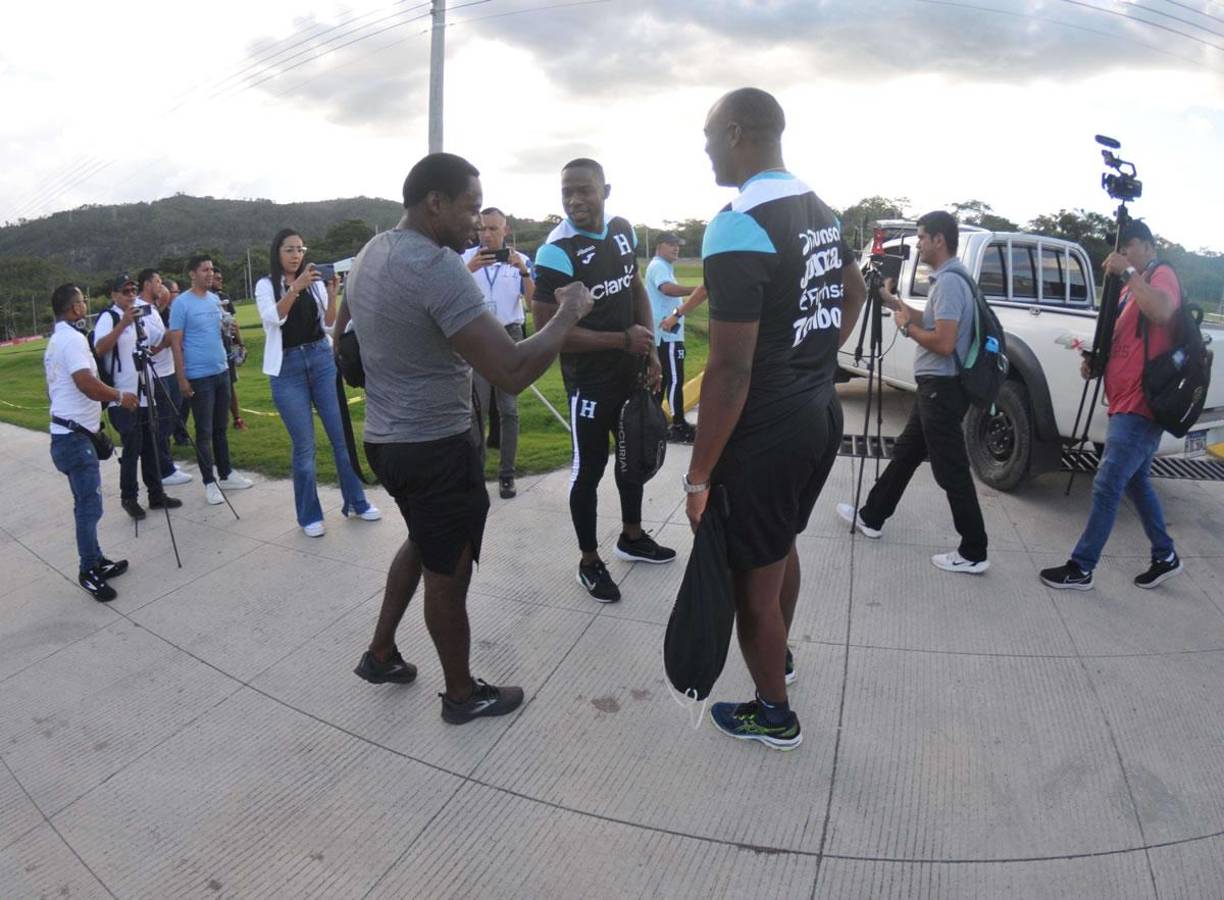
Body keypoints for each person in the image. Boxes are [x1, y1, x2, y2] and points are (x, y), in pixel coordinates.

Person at [345, 152, 594, 725]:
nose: (476, 224)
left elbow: (347, 340)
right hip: (434, 445)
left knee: (423, 542)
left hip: (386, 441)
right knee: (448, 573)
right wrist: (567, 313)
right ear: (435, 203)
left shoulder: (371, 251)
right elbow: (509, 369)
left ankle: (380, 653)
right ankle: (461, 695)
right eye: (470, 208)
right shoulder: (436, 266)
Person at [686, 88, 866, 750]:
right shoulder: (819, 208)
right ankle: (778, 654)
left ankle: (773, 711)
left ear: (737, 133)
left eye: (708, 136)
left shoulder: (738, 221)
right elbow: (854, 290)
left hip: (766, 430)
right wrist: (816, 352)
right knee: (781, 543)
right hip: (817, 414)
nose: (704, 150)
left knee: (749, 587)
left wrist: (698, 475)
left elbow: (729, 371)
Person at [533, 158, 676, 604]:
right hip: (588, 383)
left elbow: (633, 288)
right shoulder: (556, 250)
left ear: (605, 190)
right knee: (588, 471)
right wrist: (622, 339)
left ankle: (631, 537)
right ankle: (589, 561)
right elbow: (547, 333)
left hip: (629, 370)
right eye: (567, 192)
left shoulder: (622, 230)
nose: (575, 200)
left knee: (632, 456)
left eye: (584, 190)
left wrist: (649, 347)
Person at [836, 211, 990, 575]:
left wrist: (905, 328)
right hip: (935, 388)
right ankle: (872, 517)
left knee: (951, 469)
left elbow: (944, 342)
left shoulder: (951, 282)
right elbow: (933, 319)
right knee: (905, 454)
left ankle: (974, 550)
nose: (918, 245)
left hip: (942, 388)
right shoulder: (951, 279)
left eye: (921, 237)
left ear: (939, 239)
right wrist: (891, 301)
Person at [1041, 220, 1183, 590]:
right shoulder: (1125, 292)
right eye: (1119, 249)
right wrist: (1096, 361)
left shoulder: (1160, 275)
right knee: (1135, 481)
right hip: (1122, 399)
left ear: (1149, 247)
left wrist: (1131, 273)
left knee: (1106, 484)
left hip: (1144, 403)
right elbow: (1124, 341)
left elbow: (1164, 312)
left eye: (1130, 246)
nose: (1121, 254)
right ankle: (1165, 554)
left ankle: (1081, 567)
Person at [255, 228, 381, 537]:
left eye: (300, 249)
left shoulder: (313, 284)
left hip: (321, 360)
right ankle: (309, 515)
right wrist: (294, 288)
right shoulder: (265, 284)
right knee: (305, 448)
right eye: (289, 249)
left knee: (341, 439)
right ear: (277, 252)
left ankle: (356, 502)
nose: (296, 254)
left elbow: (328, 323)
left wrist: (332, 295)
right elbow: (273, 318)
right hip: (287, 369)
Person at [45, 283, 137, 601]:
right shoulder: (71, 340)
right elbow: (84, 382)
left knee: (85, 504)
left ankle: (97, 559)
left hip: (69, 433)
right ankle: (88, 571)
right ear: (76, 308)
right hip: (73, 438)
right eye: (83, 301)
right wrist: (119, 396)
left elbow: (55, 390)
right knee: (89, 508)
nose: (86, 306)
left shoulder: (57, 339)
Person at [91, 272, 184, 519]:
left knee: (152, 445)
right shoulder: (109, 317)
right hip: (122, 396)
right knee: (132, 447)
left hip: (147, 391)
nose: (131, 295)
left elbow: (157, 341)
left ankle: (156, 494)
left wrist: (171, 315)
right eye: (125, 291)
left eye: (133, 291)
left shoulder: (140, 316)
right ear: (114, 294)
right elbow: (99, 348)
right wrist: (123, 323)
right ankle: (129, 497)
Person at [461, 207, 535, 499]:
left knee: (509, 410)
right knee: (475, 411)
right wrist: (469, 272)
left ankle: (507, 475)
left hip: (509, 337)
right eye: (482, 228)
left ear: (506, 230)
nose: (487, 234)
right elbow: (449, 295)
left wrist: (524, 271)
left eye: (493, 229)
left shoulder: (520, 261)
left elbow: (532, 304)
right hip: (477, 338)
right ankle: (476, 474)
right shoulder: (464, 260)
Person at [168, 255, 253, 505]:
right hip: (199, 375)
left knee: (220, 427)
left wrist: (233, 338)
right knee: (203, 431)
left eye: (211, 269)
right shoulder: (182, 304)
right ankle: (209, 482)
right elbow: (176, 342)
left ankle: (226, 473)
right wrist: (182, 379)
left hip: (220, 371)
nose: (210, 273)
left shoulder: (215, 300)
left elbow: (220, 331)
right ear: (192, 274)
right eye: (204, 270)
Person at [645, 232, 706, 442]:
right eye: (671, 244)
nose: (676, 248)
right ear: (659, 246)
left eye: (678, 245)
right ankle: (678, 425)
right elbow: (667, 289)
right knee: (674, 380)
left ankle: (653, 424)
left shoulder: (663, 266)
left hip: (667, 333)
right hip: (667, 334)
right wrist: (696, 290)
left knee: (663, 381)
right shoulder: (659, 266)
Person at [141, 271, 191, 487]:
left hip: (167, 369)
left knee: (172, 416)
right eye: (158, 283)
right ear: (147, 285)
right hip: (158, 373)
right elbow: (152, 345)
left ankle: (166, 461)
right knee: (163, 420)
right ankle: (164, 469)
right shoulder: (141, 310)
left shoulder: (152, 309)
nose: (162, 287)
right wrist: (172, 335)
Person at [212, 268, 248, 432]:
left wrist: (240, 343)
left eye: (221, 278)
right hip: (212, 348)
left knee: (230, 383)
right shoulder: (205, 298)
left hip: (227, 345)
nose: (220, 281)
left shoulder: (224, 297)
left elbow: (233, 323)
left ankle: (237, 418)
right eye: (217, 278)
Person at [162, 279, 191, 445]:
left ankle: (181, 432)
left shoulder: (179, 310)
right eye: (175, 292)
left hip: (182, 359)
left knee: (184, 401)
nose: (177, 295)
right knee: (175, 402)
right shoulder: (163, 313)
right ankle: (175, 434)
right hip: (169, 364)